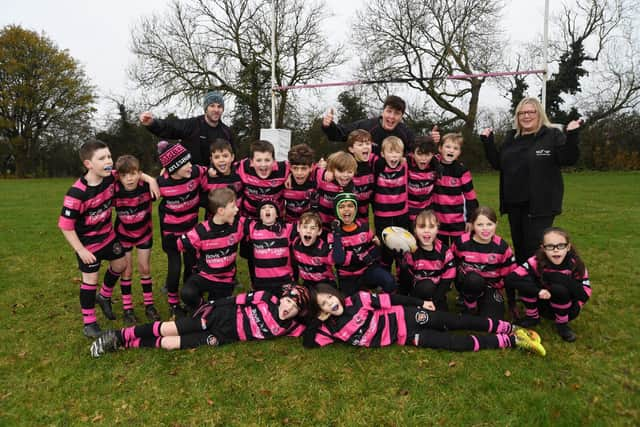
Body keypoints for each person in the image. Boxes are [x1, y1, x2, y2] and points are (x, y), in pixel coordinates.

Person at [58, 139, 159, 337]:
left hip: (109, 237)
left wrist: (151, 180)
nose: (108, 161)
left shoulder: (110, 177)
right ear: (88, 164)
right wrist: (81, 250)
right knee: (90, 280)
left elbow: (133, 172)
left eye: (109, 156)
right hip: (87, 243)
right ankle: (89, 323)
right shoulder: (76, 192)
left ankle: (104, 296)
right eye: (102, 158)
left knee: (120, 265)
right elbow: (65, 226)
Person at [302, 283, 546, 357]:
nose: (330, 304)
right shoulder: (329, 329)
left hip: (408, 316)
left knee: (457, 321)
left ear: (335, 294)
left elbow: (392, 298)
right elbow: (309, 342)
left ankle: (508, 326)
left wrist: (420, 303)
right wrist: (317, 318)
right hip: (406, 336)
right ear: (320, 311)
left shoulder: (359, 299)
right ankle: (512, 341)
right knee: (453, 343)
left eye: (329, 298)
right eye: (323, 304)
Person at [481, 97, 582, 265]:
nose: (526, 116)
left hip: (540, 204)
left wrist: (572, 135)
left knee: (533, 247)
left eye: (530, 112)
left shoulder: (551, 135)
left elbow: (568, 158)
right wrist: (488, 142)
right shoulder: (511, 137)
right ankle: (524, 284)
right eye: (522, 113)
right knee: (520, 246)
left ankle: (539, 286)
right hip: (514, 203)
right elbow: (499, 163)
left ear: (539, 114)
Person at [90, 286, 311, 357]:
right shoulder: (267, 299)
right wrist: (211, 307)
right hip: (220, 315)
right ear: (282, 297)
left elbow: (315, 332)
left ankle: (126, 344)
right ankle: (119, 334)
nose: (288, 308)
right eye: (288, 302)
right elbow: (235, 300)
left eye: (295, 308)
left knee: (169, 343)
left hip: (225, 336)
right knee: (168, 329)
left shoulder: (291, 327)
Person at [506, 227, 591, 342]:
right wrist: (537, 291)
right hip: (542, 304)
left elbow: (584, 294)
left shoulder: (576, 264)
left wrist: (560, 278)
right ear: (543, 248)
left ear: (568, 247)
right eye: (550, 246)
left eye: (561, 245)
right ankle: (532, 317)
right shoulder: (536, 261)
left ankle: (562, 325)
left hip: (568, 309)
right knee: (525, 279)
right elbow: (511, 278)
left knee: (558, 288)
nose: (555, 250)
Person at [156, 142, 208, 319]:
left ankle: (188, 296)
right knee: (175, 268)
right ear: (172, 168)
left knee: (191, 265)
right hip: (171, 233)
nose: (189, 166)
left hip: (191, 232)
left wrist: (214, 172)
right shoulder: (162, 183)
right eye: (184, 164)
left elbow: (207, 170)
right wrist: (149, 180)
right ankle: (173, 303)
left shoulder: (195, 172)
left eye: (189, 162)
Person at [178, 188, 245, 312]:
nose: (237, 209)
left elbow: (256, 228)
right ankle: (202, 306)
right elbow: (180, 244)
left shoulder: (239, 225)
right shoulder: (201, 231)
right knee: (187, 293)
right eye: (233, 206)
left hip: (225, 280)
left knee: (217, 314)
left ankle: (207, 308)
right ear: (221, 211)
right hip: (205, 276)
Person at [113, 155, 161, 323]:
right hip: (123, 234)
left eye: (133, 174)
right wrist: (148, 176)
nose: (129, 178)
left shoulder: (147, 187)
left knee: (144, 268)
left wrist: (150, 179)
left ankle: (149, 305)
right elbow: (106, 174)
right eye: (124, 175)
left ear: (139, 174)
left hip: (144, 234)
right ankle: (128, 309)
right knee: (126, 271)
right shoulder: (115, 189)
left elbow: (164, 182)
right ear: (119, 176)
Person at [451, 206, 516, 320]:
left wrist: (512, 303)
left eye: (489, 224)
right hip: (469, 282)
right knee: (473, 279)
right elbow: (451, 263)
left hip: (491, 286)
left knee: (492, 319)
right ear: (472, 225)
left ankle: (484, 301)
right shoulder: (462, 242)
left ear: (496, 224)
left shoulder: (502, 247)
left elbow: (509, 277)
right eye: (480, 224)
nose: (485, 229)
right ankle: (469, 303)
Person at [321, 95, 440, 156]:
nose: (392, 117)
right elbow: (339, 134)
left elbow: (419, 146)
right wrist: (329, 126)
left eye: (397, 113)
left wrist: (431, 140)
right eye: (389, 111)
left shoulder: (405, 132)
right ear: (383, 111)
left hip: (391, 181)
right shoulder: (366, 125)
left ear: (401, 116)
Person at [139, 91, 235, 166]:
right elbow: (169, 127)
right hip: (193, 179)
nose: (216, 110)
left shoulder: (226, 132)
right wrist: (152, 123)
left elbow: (232, 157)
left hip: (216, 180)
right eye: (212, 106)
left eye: (219, 106)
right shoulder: (192, 125)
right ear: (206, 108)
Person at [331, 192, 397, 296]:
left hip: (366, 270)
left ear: (356, 209)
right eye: (341, 207)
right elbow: (339, 259)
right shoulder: (334, 233)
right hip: (348, 276)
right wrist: (337, 235)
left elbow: (373, 253)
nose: (346, 209)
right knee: (352, 305)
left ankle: (386, 301)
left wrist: (377, 246)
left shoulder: (364, 227)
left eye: (350, 206)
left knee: (389, 281)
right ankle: (363, 292)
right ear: (336, 210)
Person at [400, 210, 455, 311]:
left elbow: (446, 281)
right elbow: (405, 283)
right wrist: (403, 267)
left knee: (442, 324)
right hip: (417, 293)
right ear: (415, 230)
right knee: (427, 286)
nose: (427, 230)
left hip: (437, 294)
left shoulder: (445, 251)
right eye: (422, 227)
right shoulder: (411, 251)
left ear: (437, 229)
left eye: (431, 227)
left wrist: (435, 301)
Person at [432, 132, 479, 246]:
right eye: (447, 147)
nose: (451, 150)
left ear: (459, 153)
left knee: (459, 253)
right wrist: (432, 140)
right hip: (437, 221)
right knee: (440, 253)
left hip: (457, 222)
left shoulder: (462, 171)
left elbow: (471, 197)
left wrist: (470, 220)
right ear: (440, 148)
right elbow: (423, 153)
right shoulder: (433, 165)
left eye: (455, 148)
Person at [243, 199, 296, 295]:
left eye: (271, 207)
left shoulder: (287, 228)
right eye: (263, 208)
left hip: (284, 281)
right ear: (259, 216)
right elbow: (234, 218)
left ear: (276, 214)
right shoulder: (252, 227)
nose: (267, 209)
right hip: (261, 282)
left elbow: (306, 224)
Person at [372, 136, 409, 269]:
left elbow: (422, 155)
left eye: (398, 152)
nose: (394, 156)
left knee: (402, 248)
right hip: (382, 216)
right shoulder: (377, 166)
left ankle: (402, 278)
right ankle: (385, 279)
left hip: (402, 214)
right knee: (385, 250)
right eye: (390, 152)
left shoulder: (405, 165)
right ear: (382, 154)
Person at [315, 151, 358, 231]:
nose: (345, 175)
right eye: (341, 171)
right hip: (321, 224)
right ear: (332, 170)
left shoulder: (352, 187)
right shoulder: (325, 178)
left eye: (349, 172)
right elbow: (312, 169)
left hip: (340, 226)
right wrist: (325, 171)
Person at [291, 212, 336, 287]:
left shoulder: (324, 250)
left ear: (319, 231)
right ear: (298, 228)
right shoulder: (295, 244)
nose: (308, 231)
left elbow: (338, 261)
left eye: (313, 228)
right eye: (305, 227)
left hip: (325, 284)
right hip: (306, 284)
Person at [201, 138, 243, 216]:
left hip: (235, 221)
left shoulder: (239, 173)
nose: (221, 160)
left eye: (225, 156)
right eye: (217, 157)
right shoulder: (206, 178)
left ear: (232, 157)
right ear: (211, 160)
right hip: (214, 223)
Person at [345, 129, 376, 222]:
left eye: (367, 143)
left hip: (364, 219)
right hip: (347, 217)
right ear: (351, 149)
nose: (365, 147)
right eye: (360, 144)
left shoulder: (373, 164)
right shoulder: (346, 165)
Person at [407, 135, 440, 223]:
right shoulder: (406, 164)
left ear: (432, 154)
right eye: (420, 154)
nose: (423, 158)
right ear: (413, 154)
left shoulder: (435, 165)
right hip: (408, 213)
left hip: (427, 213)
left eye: (427, 155)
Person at [283, 143, 317, 224]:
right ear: (290, 167)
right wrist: (288, 175)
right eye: (295, 168)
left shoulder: (317, 178)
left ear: (311, 167)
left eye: (304, 168)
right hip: (288, 224)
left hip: (309, 225)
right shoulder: (283, 178)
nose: (299, 173)